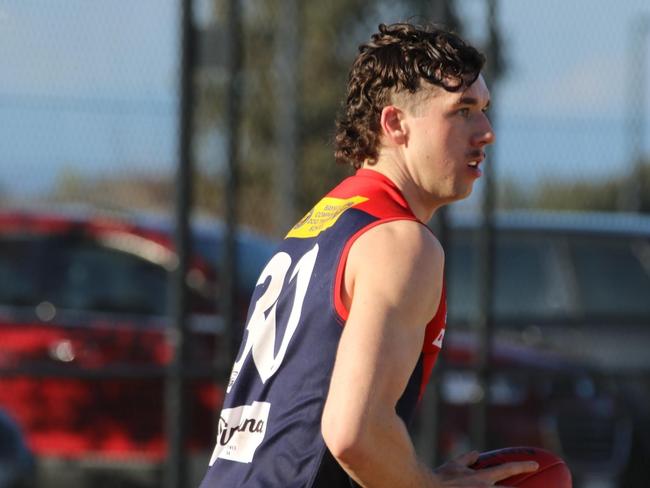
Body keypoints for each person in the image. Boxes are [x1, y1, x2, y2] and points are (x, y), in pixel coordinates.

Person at [200, 22, 539, 487]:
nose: (486, 132)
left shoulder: (324, 221)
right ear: (395, 123)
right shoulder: (400, 243)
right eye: (462, 111)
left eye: (484, 109)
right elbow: (353, 433)